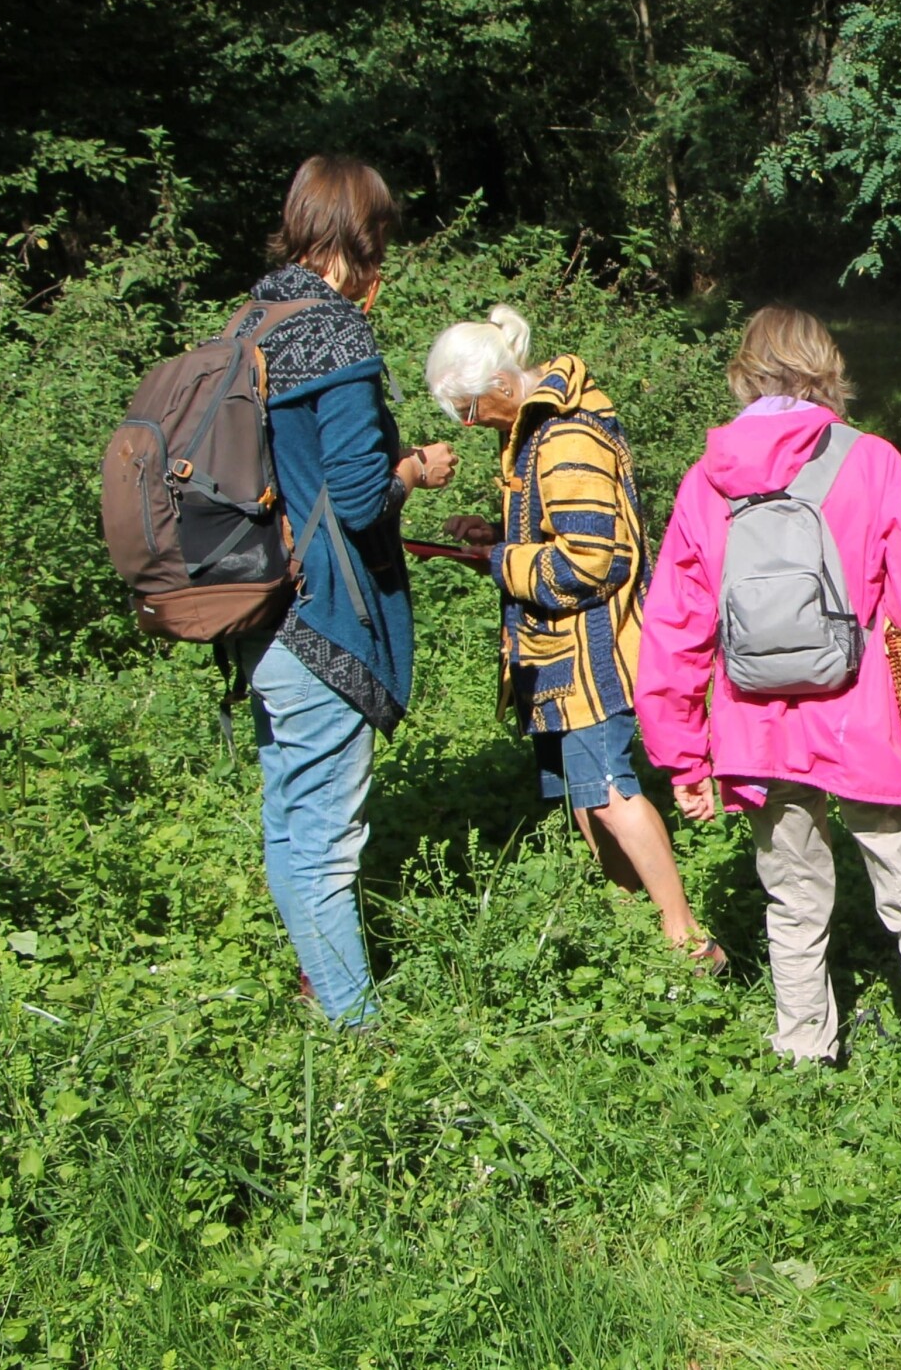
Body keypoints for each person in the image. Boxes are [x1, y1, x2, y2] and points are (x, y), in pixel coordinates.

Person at [633, 306, 901, 1147]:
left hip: (754, 726)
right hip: (863, 717)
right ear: (826, 370)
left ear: (744, 373)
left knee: (792, 898)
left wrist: (680, 753)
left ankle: (804, 1058)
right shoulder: (871, 461)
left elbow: (674, 626)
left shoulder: (707, 480)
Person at [424, 304, 723, 974]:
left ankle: (689, 942)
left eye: (471, 411)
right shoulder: (534, 433)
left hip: (592, 654)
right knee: (586, 799)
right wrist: (496, 539)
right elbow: (553, 535)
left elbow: (595, 559)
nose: (471, 427)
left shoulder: (563, 437)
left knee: (611, 794)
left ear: (501, 383)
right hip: (555, 656)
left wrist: (500, 563)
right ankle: (638, 931)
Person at [231, 156, 457, 1025]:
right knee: (326, 843)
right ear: (366, 238)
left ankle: (320, 984)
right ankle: (357, 1038)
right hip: (326, 619)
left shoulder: (254, 317)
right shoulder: (335, 333)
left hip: (261, 611)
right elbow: (360, 497)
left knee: (289, 821)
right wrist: (415, 468)